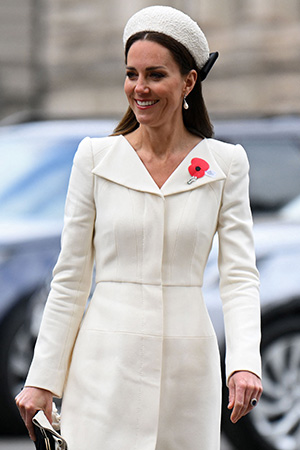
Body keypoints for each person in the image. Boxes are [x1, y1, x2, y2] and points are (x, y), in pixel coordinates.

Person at [16, 5, 263, 450]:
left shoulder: (227, 164)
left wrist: (244, 362)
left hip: (189, 372)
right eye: (131, 74)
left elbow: (240, 276)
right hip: (102, 367)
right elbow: (70, 279)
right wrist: (42, 380)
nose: (140, 88)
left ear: (188, 82)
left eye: (155, 74)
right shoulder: (94, 158)